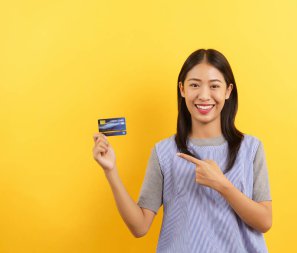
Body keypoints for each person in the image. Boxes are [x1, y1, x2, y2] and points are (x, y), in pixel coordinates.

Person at [92, 48, 272, 253]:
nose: (204, 96)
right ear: (182, 89)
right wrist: (110, 171)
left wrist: (222, 185)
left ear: (228, 91)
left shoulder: (250, 149)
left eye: (214, 86)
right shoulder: (164, 152)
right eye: (194, 85)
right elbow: (140, 226)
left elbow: (265, 221)